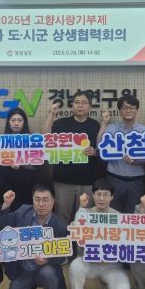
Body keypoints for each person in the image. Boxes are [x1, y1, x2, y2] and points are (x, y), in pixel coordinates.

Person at [0, 183, 68, 289]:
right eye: (37, 199)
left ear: (53, 202)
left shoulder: (60, 226)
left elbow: (63, 256)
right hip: (24, 270)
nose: (41, 204)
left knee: (48, 273)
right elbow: (2, 227)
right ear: (32, 200)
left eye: (45, 200)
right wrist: (6, 204)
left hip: (45, 269)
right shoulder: (23, 211)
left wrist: (48, 259)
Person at [69, 178, 131, 289]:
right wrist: (81, 208)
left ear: (112, 197)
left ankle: (106, 285)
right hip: (89, 262)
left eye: (105, 195)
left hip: (111, 264)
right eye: (98, 194)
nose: (101, 198)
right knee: (75, 267)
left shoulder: (119, 217)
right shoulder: (85, 213)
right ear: (93, 195)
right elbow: (73, 229)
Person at [42, 90, 101, 224]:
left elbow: (100, 148)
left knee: (85, 219)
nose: (80, 105)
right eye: (76, 102)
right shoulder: (61, 123)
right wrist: (52, 114)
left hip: (87, 181)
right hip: (63, 180)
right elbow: (45, 137)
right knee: (62, 217)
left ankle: (81, 239)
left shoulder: (94, 125)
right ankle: (63, 239)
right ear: (72, 105)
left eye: (84, 103)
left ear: (90, 107)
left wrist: (94, 152)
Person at [97, 94, 145, 213]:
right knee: (112, 214)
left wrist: (135, 161)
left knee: (133, 215)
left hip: (136, 181)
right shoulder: (111, 128)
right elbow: (99, 148)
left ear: (136, 110)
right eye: (124, 107)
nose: (128, 110)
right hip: (113, 179)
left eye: (132, 107)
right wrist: (104, 123)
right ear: (119, 110)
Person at [0, 108, 37, 211]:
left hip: (25, 186)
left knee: (24, 215)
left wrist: (21, 165)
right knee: (5, 215)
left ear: (24, 122)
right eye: (13, 120)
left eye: (19, 120)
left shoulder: (32, 140)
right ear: (8, 122)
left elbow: (36, 165)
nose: (16, 123)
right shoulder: (2, 140)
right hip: (6, 185)